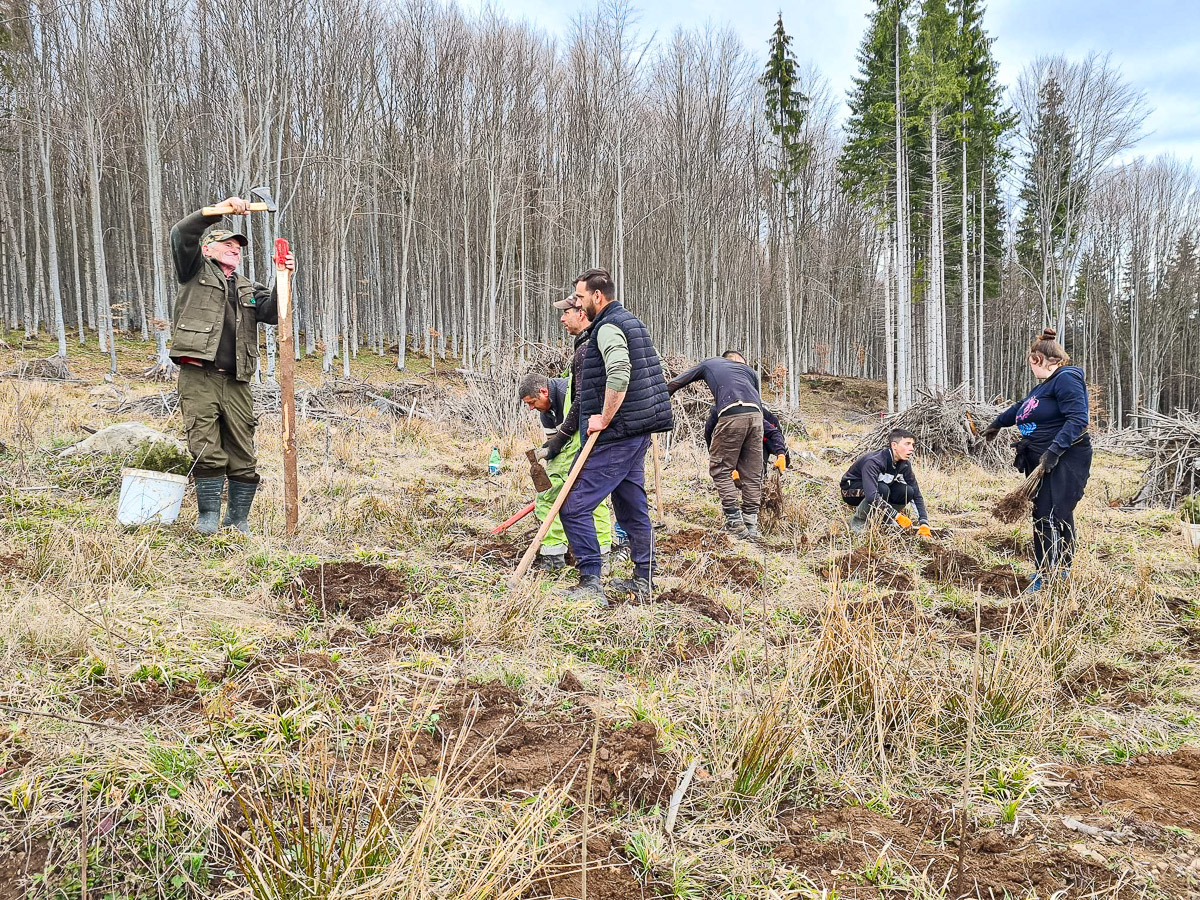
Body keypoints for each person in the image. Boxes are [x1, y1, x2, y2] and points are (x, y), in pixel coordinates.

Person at [169, 199, 295, 534]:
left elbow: (272, 313)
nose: (235, 250)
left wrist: (283, 277)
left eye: (238, 247)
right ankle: (208, 517)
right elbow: (181, 233)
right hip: (199, 375)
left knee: (243, 450)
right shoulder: (193, 271)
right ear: (207, 249)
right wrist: (218, 210)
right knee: (205, 445)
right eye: (227, 244)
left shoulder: (246, 287)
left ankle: (238, 520)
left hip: (237, 380)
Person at [558, 267, 674, 603]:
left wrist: (603, 418)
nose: (577, 305)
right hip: (635, 430)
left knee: (573, 504)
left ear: (597, 296)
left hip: (618, 434)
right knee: (631, 506)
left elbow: (620, 371)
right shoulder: (631, 321)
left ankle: (591, 582)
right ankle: (644, 579)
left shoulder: (608, 326)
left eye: (580, 297)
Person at [982, 327, 1091, 591]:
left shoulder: (1067, 378)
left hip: (1064, 456)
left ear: (1037, 359)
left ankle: (1054, 573)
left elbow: (1078, 419)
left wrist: (1053, 452)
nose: (1031, 369)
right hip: (1040, 457)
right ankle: (1051, 569)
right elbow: (1023, 406)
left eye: (1030, 365)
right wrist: (997, 423)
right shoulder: (1046, 386)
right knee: (1047, 512)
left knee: (1051, 514)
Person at [518, 365, 612, 573]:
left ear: (543, 391)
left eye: (532, 403)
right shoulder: (546, 412)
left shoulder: (569, 393)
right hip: (570, 448)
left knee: (589, 497)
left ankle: (602, 555)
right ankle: (554, 556)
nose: (531, 408)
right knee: (547, 496)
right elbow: (555, 445)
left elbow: (582, 431)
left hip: (592, 445)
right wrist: (543, 458)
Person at [668, 350, 765, 538]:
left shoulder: (709, 363)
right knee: (752, 472)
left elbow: (676, 383)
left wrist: (657, 399)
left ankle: (735, 524)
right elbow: (755, 399)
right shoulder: (749, 371)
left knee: (721, 469)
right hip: (756, 417)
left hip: (731, 414)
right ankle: (751, 525)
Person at [840, 429, 932, 536]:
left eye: (913, 445)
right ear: (894, 445)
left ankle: (883, 520)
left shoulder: (904, 465)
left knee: (907, 491)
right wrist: (897, 516)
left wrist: (924, 523)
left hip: (878, 488)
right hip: (851, 491)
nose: (911, 449)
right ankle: (859, 523)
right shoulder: (874, 462)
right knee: (882, 489)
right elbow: (871, 496)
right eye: (907, 444)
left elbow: (916, 493)